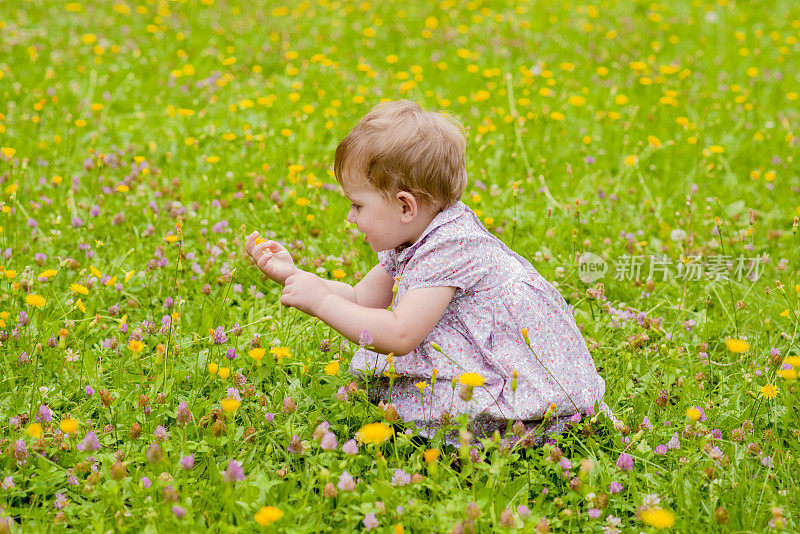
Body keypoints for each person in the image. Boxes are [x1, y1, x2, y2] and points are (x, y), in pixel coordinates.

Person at [244, 99, 610, 446]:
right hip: (494, 362)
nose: (350, 218)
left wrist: (321, 302)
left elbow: (400, 334)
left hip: (532, 394)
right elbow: (360, 299)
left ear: (406, 206)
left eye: (357, 205)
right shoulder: (415, 233)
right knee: (396, 386)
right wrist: (297, 277)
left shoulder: (450, 245)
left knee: (412, 396)